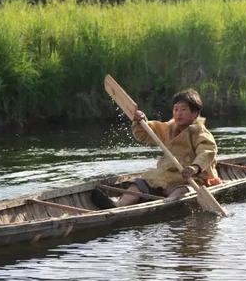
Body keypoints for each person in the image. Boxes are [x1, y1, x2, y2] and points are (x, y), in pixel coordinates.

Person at [92, 88, 222, 209]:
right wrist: (139, 120)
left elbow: (207, 151)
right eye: (176, 109)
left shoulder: (200, 132)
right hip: (166, 176)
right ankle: (119, 205)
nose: (178, 113)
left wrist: (195, 168)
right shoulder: (169, 128)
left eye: (183, 110)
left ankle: (166, 204)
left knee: (183, 190)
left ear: (195, 114)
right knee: (139, 184)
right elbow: (144, 134)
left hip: (192, 178)